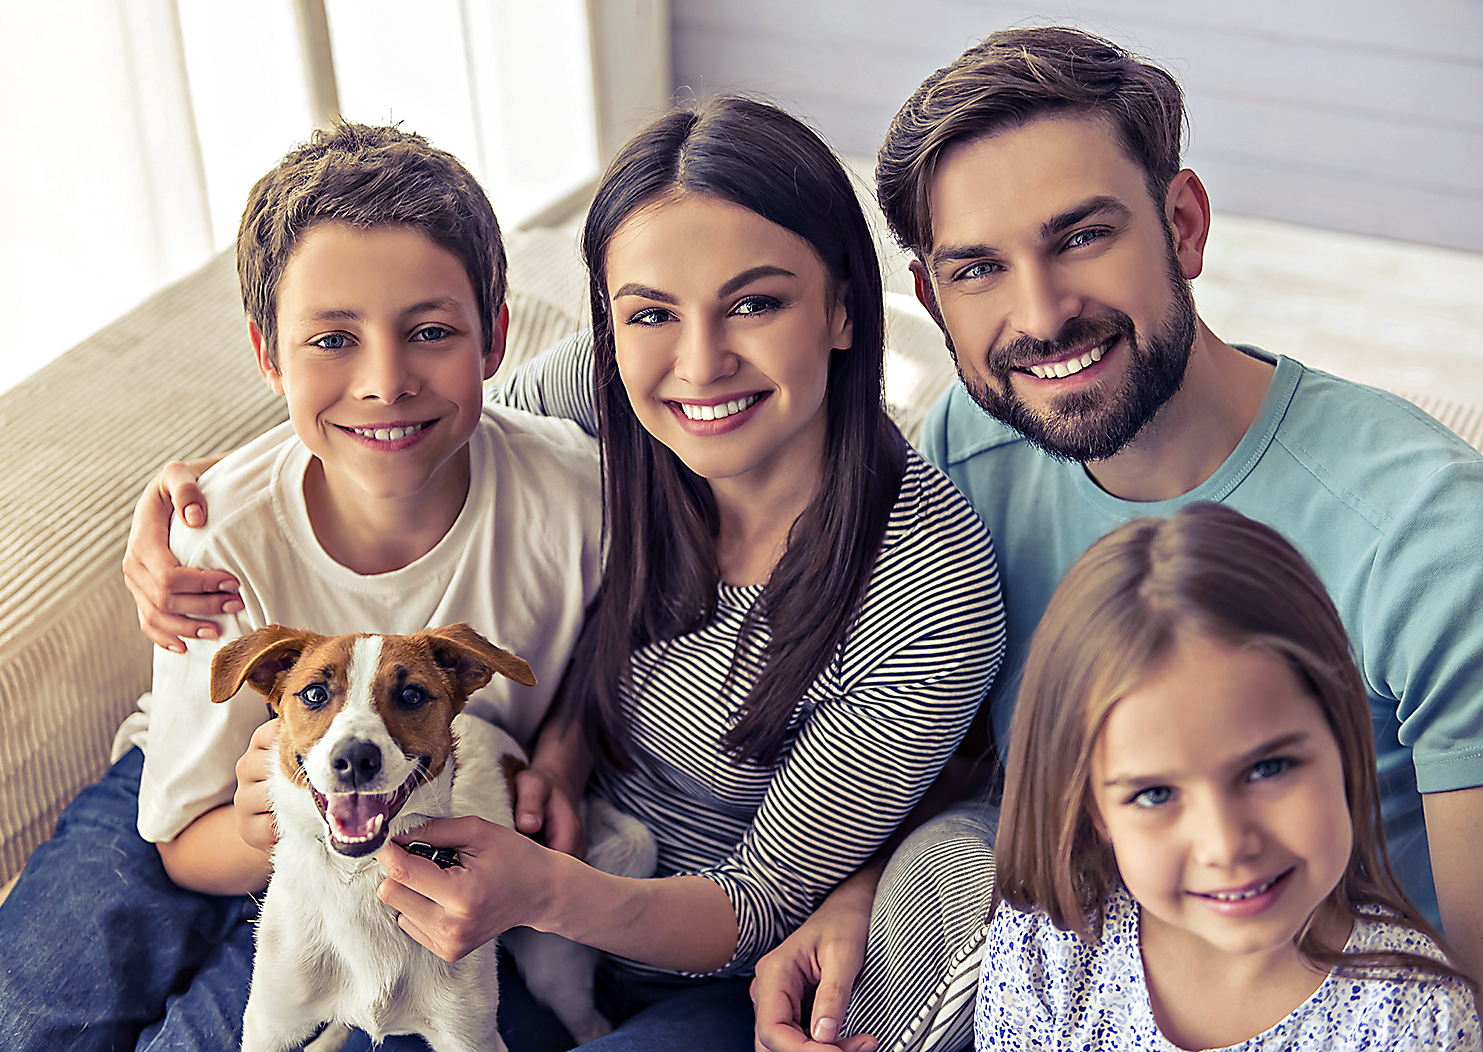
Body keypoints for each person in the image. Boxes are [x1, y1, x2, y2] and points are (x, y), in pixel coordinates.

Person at [121, 95, 1008, 1048]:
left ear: (841, 305)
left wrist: (539, 891)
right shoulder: (604, 393)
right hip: (465, 863)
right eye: (651, 313)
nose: (699, 363)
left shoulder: (934, 590)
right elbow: (405, 424)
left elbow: (754, 904)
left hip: (699, 964)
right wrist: (195, 496)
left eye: (755, 303)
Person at [753, 23, 1483, 1052]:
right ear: (929, 300)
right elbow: (974, 761)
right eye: (979, 270)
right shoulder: (974, 443)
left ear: (1184, 224)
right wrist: (857, 894)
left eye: (1082, 236)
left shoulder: (1431, 534)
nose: (1041, 314)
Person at [0, 122, 603, 1052]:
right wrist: (260, 833)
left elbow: (617, 658)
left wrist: (559, 753)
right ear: (268, 354)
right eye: (331, 339)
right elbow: (181, 840)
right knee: (21, 1019)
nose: (385, 382)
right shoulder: (216, 534)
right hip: (206, 805)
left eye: (430, 331)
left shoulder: (577, 495)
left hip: (401, 813)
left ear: (496, 336)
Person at [979, 502, 1480, 1050]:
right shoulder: (1048, 946)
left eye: (1267, 768)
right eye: (1154, 794)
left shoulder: (1415, 1018)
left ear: (1342, 739)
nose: (1226, 845)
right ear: (1096, 810)